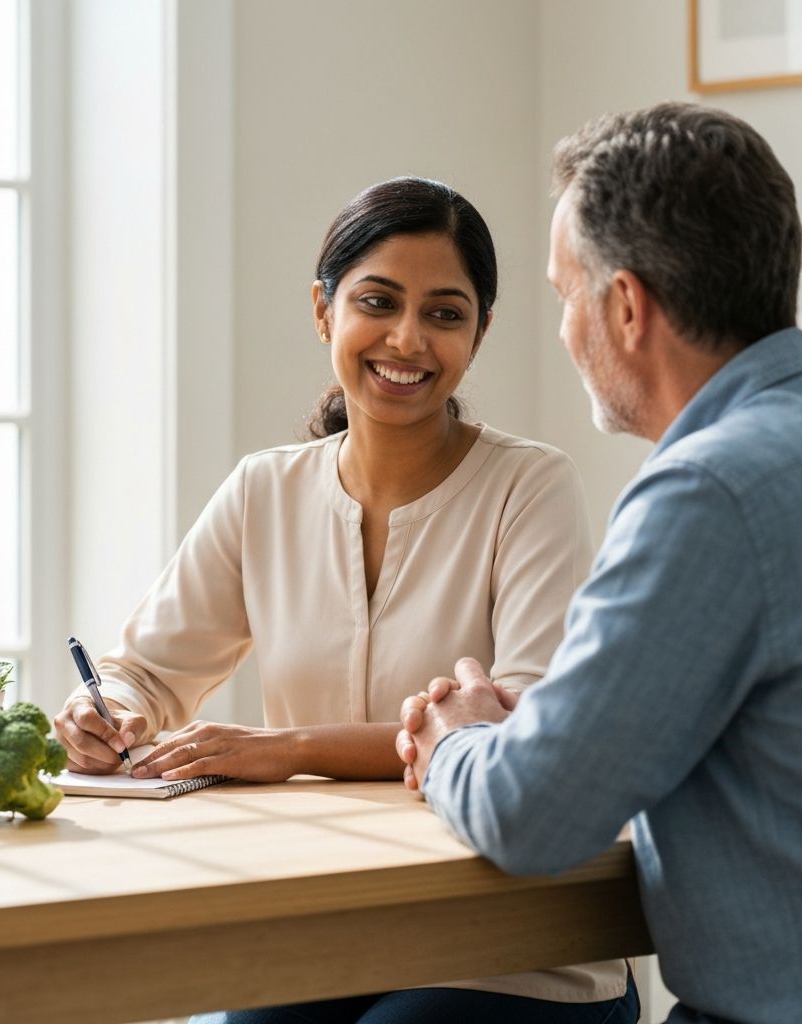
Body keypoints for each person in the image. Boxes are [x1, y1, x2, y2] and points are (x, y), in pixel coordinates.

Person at [54, 176, 638, 1022]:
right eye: (378, 302)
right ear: (324, 311)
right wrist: (103, 708)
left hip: (512, 943)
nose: (408, 339)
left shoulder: (531, 486)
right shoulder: (263, 490)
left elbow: (524, 727)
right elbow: (145, 671)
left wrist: (284, 748)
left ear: (479, 333)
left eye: (444, 313)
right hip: (320, 933)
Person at [397, 102, 802, 1024]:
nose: (563, 330)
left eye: (564, 295)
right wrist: (564, 725)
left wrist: (456, 735)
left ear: (625, 307)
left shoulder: (708, 495)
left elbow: (531, 814)